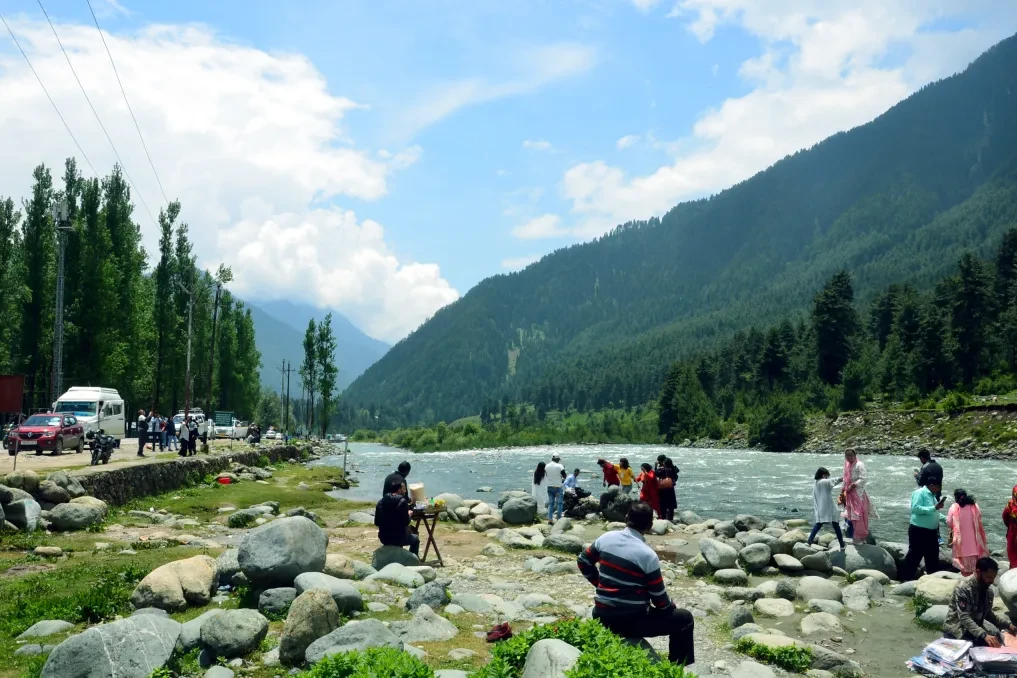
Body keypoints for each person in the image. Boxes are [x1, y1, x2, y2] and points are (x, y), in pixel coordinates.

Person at [577, 502, 695, 666]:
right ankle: (677, 669)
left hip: (601, 616)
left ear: (626, 518)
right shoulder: (648, 556)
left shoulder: (605, 538)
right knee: (684, 619)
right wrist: (670, 605)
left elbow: (583, 561)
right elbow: (660, 601)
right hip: (630, 622)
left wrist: (601, 585)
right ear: (650, 526)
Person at [943, 557, 1017, 647]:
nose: (992, 581)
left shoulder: (988, 591)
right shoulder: (964, 588)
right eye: (989, 577)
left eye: (993, 577)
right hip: (957, 630)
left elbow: (988, 614)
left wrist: (1007, 625)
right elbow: (964, 617)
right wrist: (984, 634)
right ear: (978, 572)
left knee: (997, 642)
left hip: (974, 630)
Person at [901, 479, 946, 581]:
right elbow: (915, 508)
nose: (939, 490)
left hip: (931, 532)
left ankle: (932, 579)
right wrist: (934, 507)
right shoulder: (920, 493)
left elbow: (935, 513)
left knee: (933, 556)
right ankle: (906, 579)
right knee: (915, 555)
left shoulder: (932, 496)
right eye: (938, 487)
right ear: (931, 485)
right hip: (919, 530)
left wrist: (947, 520)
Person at [374, 474, 419, 557]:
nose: (405, 491)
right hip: (400, 538)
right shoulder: (402, 501)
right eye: (404, 489)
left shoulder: (381, 501)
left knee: (404, 531)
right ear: (399, 490)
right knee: (416, 539)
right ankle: (413, 562)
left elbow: (377, 522)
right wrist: (409, 514)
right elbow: (406, 522)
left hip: (384, 538)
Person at [947, 489, 989, 576]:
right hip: (976, 546)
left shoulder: (954, 507)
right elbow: (979, 516)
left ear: (956, 498)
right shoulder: (974, 506)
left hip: (962, 548)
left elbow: (949, 522)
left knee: (965, 572)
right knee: (977, 571)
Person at [842, 448, 875, 543]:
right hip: (848, 493)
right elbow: (845, 477)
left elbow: (864, 478)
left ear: (855, 455)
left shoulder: (859, 464)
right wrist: (842, 489)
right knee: (850, 513)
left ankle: (859, 535)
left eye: (851, 455)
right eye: (847, 456)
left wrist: (853, 485)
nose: (849, 457)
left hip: (858, 493)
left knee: (858, 514)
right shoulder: (846, 464)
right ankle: (851, 534)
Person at [808, 467, 846, 549]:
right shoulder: (824, 482)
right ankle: (842, 544)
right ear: (823, 475)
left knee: (818, 524)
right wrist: (846, 477)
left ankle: (809, 541)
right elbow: (836, 480)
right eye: (827, 475)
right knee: (836, 524)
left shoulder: (815, 483)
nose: (828, 477)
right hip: (828, 507)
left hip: (820, 508)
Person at [545, 453, 565, 523]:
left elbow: (546, 475)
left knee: (551, 503)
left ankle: (550, 519)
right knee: (559, 503)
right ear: (557, 459)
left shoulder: (547, 466)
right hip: (558, 487)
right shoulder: (560, 466)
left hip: (549, 486)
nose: (559, 461)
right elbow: (564, 476)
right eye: (558, 459)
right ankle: (559, 518)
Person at [657, 458, 678, 522]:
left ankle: (663, 517)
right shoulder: (674, 470)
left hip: (663, 489)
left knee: (663, 504)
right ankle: (670, 518)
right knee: (671, 504)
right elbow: (676, 477)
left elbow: (656, 474)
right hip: (670, 489)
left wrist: (656, 466)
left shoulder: (662, 470)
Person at [1004, 485, 1017, 568]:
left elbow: (1005, 516)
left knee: (1013, 555)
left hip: (1013, 533)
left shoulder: (1010, 504)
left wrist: (1010, 525)